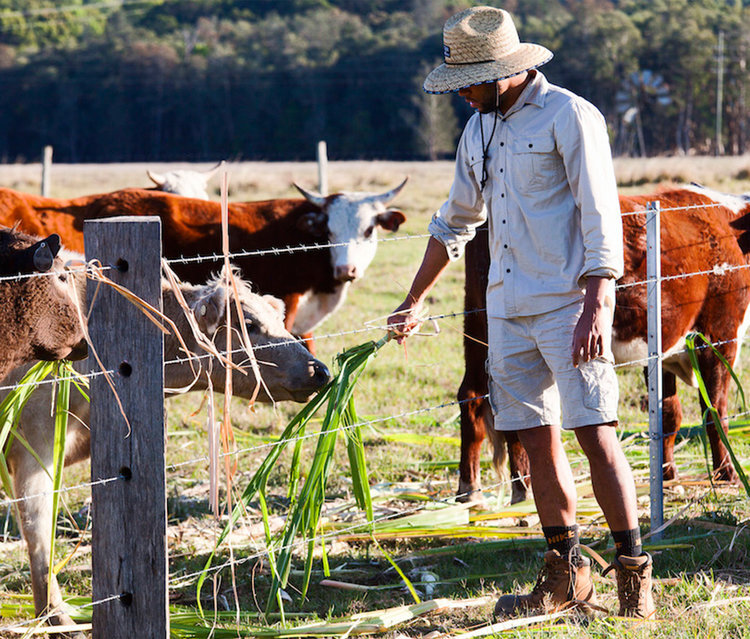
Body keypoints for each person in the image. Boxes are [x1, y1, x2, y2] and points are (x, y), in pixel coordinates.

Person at [387, 6, 655, 619]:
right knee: (535, 440)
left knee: (595, 434)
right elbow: (454, 221)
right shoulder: (477, 128)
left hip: (570, 306)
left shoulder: (569, 115)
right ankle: (566, 576)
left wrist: (598, 301)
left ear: (503, 71)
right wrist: (412, 299)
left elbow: (600, 216)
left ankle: (634, 577)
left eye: (468, 84)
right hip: (508, 311)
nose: (462, 97)